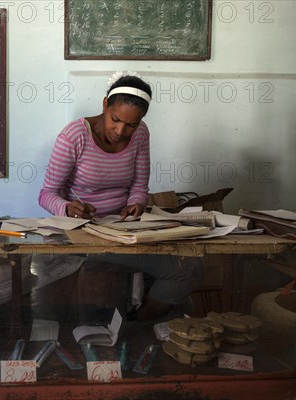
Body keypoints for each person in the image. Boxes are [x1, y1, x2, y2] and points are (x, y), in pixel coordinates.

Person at [38, 72, 204, 321]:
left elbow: (139, 187)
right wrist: (67, 208)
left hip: (124, 231)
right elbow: (46, 194)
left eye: (131, 125)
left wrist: (136, 204)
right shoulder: (74, 136)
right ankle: (126, 328)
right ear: (105, 104)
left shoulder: (140, 134)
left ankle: (139, 322)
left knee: (189, 267)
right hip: (83, 232)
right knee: (176, 269)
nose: (121, 130)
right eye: (115, 119)